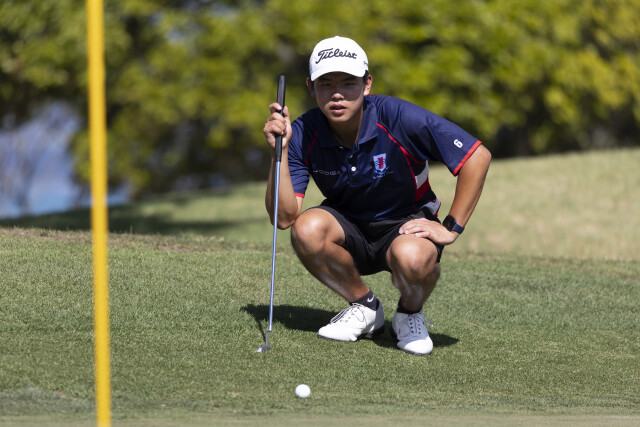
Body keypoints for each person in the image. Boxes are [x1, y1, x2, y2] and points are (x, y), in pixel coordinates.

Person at [262, 36, 491, 355]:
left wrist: (452, 227)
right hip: (349, 227)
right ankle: (365, 307)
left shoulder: (399, 117)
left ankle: (409, 314)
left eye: (348, 83)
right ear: (311, 88)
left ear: (367, 84)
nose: (337, 93)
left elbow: (476, 156)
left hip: (406, 224)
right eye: (326, 84)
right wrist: (281, 151)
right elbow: (284, 217)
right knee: (307, 228)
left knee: (412, 259)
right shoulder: (301, 132)